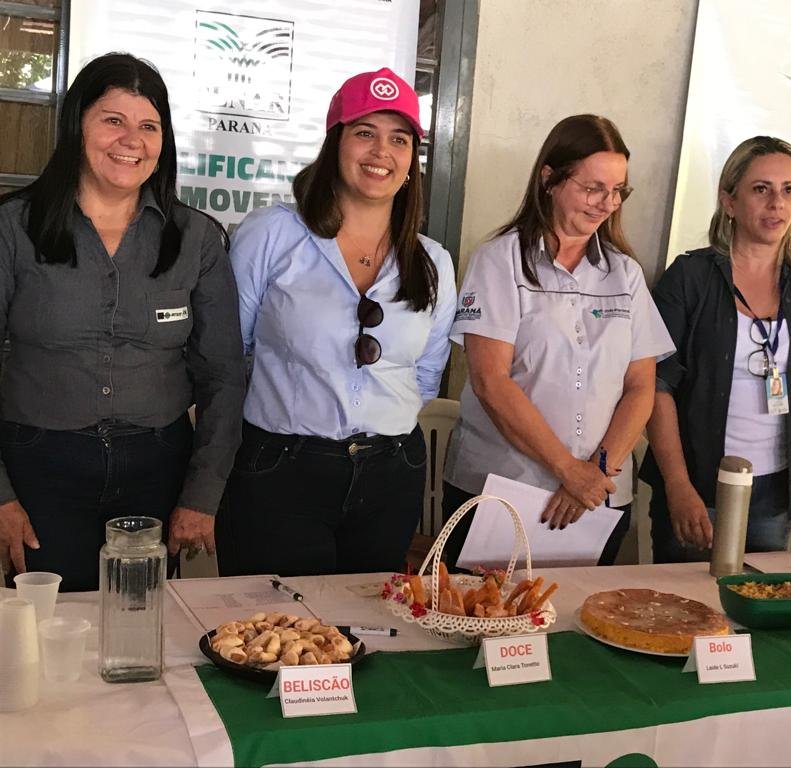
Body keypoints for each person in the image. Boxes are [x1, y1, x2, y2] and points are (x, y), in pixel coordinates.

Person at [0, 53, 245, 591]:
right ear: (77, 125)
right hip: (39, 468)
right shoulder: (13, 228)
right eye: (113, 120)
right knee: (51, 635)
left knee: (140, 629)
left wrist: (201, 497)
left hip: (157, 469)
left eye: (148, 126)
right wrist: (0, 496)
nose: (130, 140)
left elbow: (223, 374)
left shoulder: (196, 240)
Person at [216, 67, 457, 577]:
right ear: (335, 143)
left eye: (399, 139)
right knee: (271, 634)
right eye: (364, 133)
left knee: (370, 634)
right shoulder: (272, 235)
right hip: (281, 468)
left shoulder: (433, 261)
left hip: (392, 472)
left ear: (413, 158)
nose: (381, 152)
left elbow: (427, 374)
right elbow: (226, 354)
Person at [442, 114, 675, 567]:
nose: (606, 203)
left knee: (576, 627)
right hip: (504, 491)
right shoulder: (499, 261)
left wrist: (596, 473)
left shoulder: (624, 273)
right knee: (487, 625)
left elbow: (641, 385)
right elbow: (491, 381)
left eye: (617, 190)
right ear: (549, 178)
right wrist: (569, 470)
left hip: (596, 498)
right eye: (592, 188)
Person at [642, 136, 791, 563]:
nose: (777, 203)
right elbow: (656, 386)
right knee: (681, 617)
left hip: (773, 494)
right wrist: (678, 487)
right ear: (730, 201)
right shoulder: (690, 277)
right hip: (696, 488)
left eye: (788, 190)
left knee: (753, 614)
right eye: (761, 189)